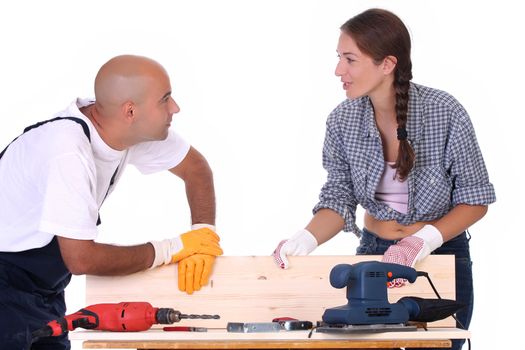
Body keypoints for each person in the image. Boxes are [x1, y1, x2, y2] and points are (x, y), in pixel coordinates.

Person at [272, 8, 495, 350]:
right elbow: (338, 198)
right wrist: (304, 239)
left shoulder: (445, 111)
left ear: (387, 64)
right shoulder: (341, 121)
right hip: (373, 257)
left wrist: (421, 241)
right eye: (338, 58)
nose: (338, 70)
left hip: (442, 254)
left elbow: (475, 198)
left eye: (350, 59)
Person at [0, 55, 223, 349]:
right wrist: (173, 248)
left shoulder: (121, 127)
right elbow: (81, 258)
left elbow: (195, 168)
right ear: (130, 110)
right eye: (165, 99)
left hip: (44, 289)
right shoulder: (66, 151)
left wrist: (203, 233)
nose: (175, 108)